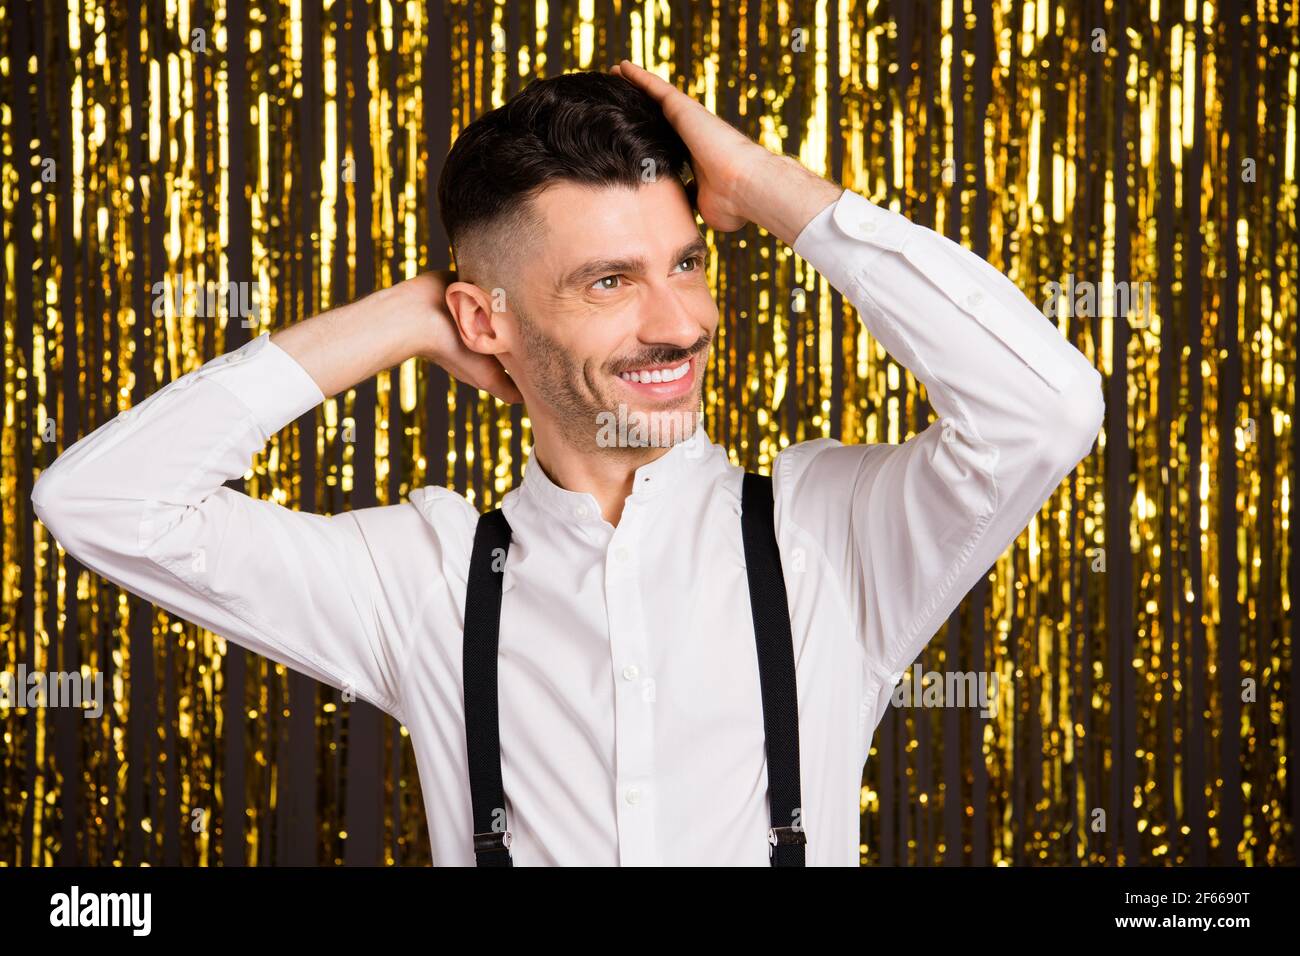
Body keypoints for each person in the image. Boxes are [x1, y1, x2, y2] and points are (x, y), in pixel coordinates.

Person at [31, 61, 1104, 865]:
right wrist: (401, 316)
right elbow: (101, 501)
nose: (680, 322)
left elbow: (1044, 409)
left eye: (686, 262)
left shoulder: (829, 537)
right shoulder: (426, 576)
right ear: (481, 317)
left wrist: (772, 190)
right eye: (608, 282)